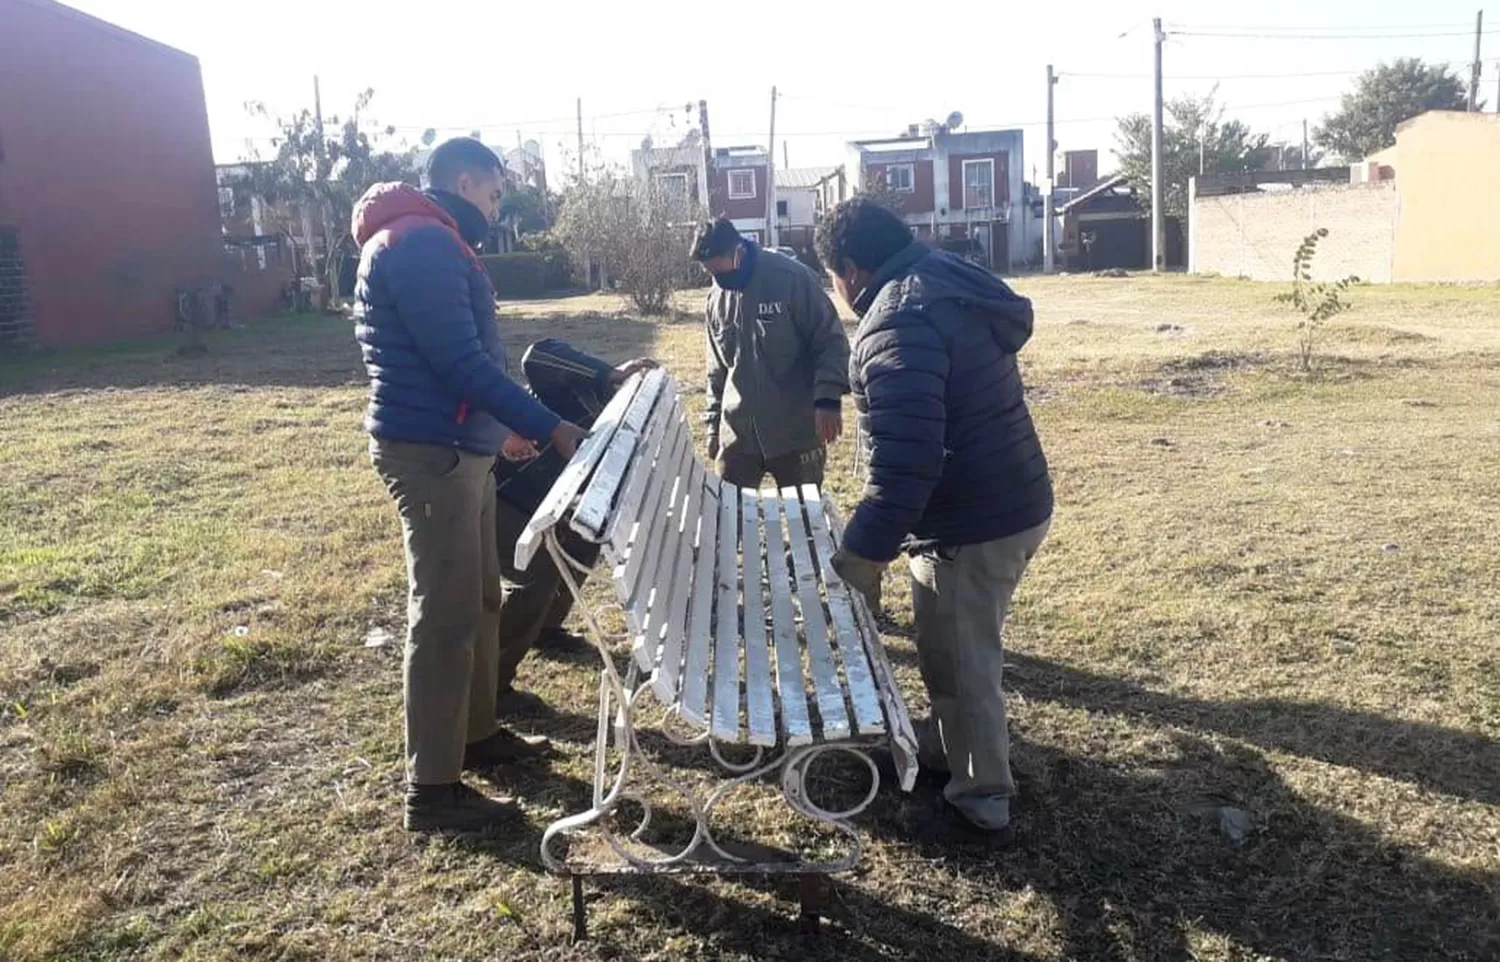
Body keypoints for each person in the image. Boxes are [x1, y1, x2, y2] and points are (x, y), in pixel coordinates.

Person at [353, 137, 588, 833]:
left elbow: (470, 361)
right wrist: (549, 427)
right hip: (435, 458)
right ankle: (432, 789)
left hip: (463, 448)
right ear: (465, 178)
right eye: (493, 191)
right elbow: (459, 362)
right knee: (447, 616)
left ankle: (478, 735)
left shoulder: (434, 239)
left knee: (481, 600)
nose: (496, 204)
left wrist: (502, 428)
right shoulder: (421, 243)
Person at [816, 198, 1054, 836]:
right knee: (946, 646)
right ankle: (950, 755)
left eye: (833, 279)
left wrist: (859, 557)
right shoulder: (942, 280)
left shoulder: (898, 321)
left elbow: (906, 466)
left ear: (850, 268)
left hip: (975, 520)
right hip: (999, 499)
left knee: (964, 656)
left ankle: (981, 801)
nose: (838, 293)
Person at [492, 340, 656, 713]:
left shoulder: (627, 428)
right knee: (535, 570)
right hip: (501, 494)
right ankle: (493, 685)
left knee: (586, 538)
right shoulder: (571, 389)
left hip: (549, 505)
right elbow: (538, 354)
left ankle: (545, 630)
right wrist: (608, 373)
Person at [690, 218, 849, 489]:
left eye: (720, 270)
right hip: (737, 433)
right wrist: (713, 426)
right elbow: (716, 370)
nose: (718, 279)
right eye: (710, 272)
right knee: (729, 518)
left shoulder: (792, 279)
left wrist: (828, 399)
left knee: (806, 517)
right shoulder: (716, 299)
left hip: (796, 431)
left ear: (737, 252)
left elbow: (830, 341)